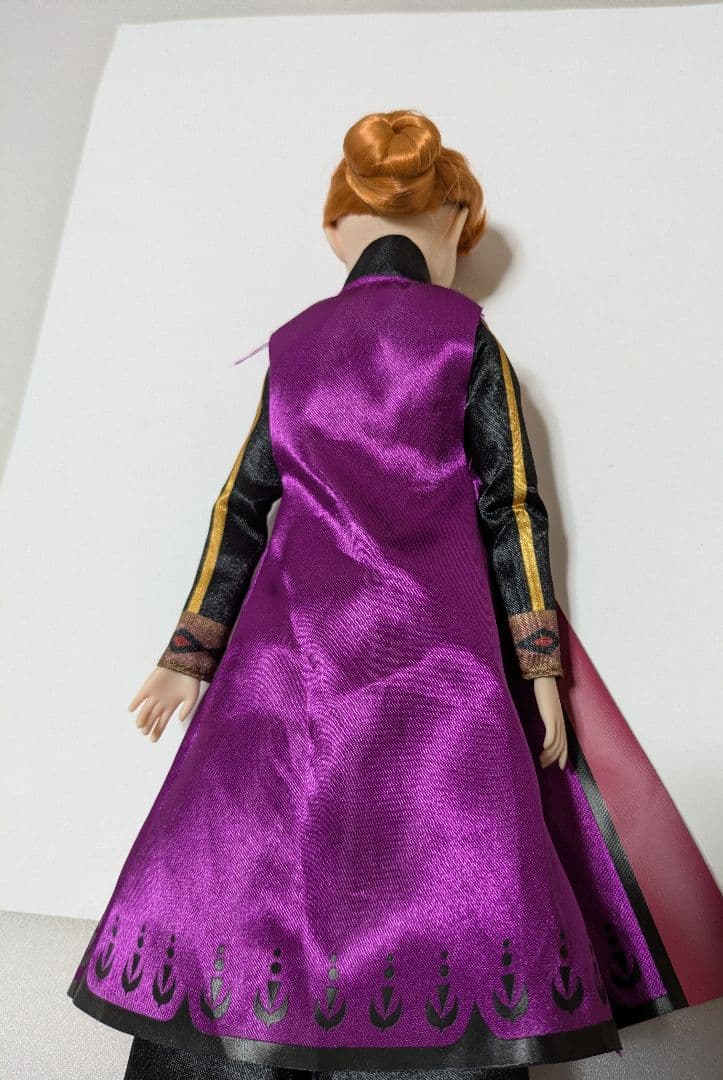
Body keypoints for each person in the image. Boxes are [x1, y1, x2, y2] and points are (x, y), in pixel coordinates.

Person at [67, 109, 723, 1080]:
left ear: (337, 229)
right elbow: (512, 505)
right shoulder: (464, 338)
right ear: (454, 226)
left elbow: (240, 504)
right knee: (442, 864)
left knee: (250, 865)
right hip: (436, 664)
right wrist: (538, 666)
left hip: (287, 661)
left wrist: (189, 654)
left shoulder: (294, 345)